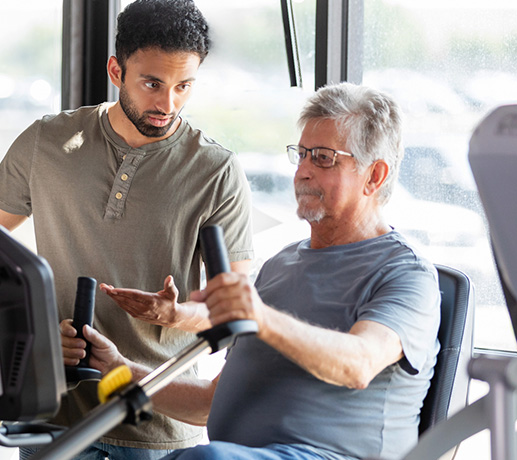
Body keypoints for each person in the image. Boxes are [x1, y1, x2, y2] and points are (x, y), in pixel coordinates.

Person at [0, 0, 253, 458]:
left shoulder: (216, 171)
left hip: (151, 425)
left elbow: (237, 309)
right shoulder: (47, 141)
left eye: (184, 86)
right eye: (152, 84)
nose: (168, 103)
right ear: (115, 69)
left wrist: (176, 315)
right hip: (53, 420)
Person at [64, 82, 441, 460]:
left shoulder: (406, 274)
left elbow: (359, 364)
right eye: (303, 155)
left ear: (374, 176)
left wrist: (259, 316)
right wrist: (119, 367)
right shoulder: (281, 265)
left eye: (323, 158)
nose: (303, 172)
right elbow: (209, 404)